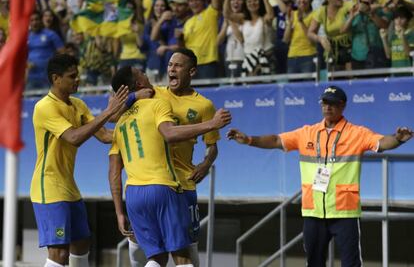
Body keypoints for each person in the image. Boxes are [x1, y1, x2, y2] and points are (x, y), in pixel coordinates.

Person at [227, 85, 413, 267]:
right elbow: (277, 140)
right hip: (313, 212)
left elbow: (381, 142)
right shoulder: (307, 132)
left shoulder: (357, 133)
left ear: (342, 106)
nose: (327, 107)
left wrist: (397, 139)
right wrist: (249, 140)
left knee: (351, 263)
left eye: (332, 103)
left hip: (344, 212)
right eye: (324, 103)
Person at [108, 65, 231, 267]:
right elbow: (170, 133)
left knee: (158, 256)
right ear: (139, 84)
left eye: (177, 65)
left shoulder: (120, 122)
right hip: (164, 187)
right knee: (182, 255)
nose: (170, 69)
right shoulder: (158, 102)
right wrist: (213, 123)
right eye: (144, 73)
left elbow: (113, 172)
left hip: (135, 193)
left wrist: (119, 211)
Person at [29, 53, 129, 267]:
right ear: (56, 79)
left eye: (78, 75)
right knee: (59, 253)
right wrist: (108, 112)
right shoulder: (45, 107)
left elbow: (104, 136)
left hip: (69, 187)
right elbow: (74, 138)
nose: (78, 80)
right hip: (48, 187)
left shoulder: (78, 104)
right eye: (72, 76)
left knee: (82, 243)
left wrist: (140, 130)